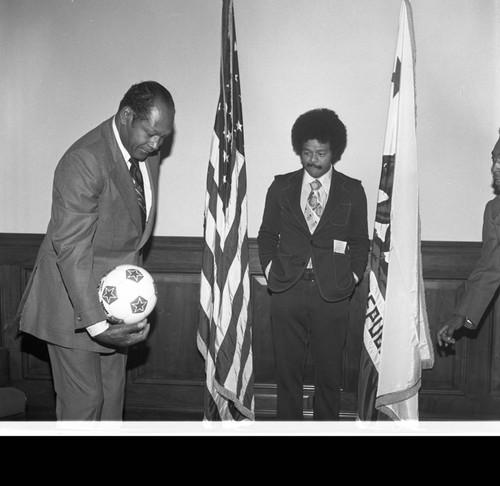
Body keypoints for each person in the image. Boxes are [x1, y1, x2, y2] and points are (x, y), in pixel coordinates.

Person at [16, 81, 176, 420]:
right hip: (71, 305)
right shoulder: (85, 159)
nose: (157, 143)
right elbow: (71, 247)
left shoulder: (147, 153)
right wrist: (98, 325)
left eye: (163, 136)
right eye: (150, 133)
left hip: (115, 303)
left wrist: (131, 307)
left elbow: (128, 235)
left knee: (111, 405)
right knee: (84, 407)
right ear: (126, 116)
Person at [257, 108, 369, 420]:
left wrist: (354, 277)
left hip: (332, 293)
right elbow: (266, 235)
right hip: (286, 290)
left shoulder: (353, 190)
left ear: (335, 151)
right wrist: (269, 271)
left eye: (321, 153)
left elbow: (361, 241)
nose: (313, 160)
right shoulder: (281, 187)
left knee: (330, 376)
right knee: (287, 373)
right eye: (307, 152)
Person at [438, 130, 500, 348]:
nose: (494, 168)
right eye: (494, 160)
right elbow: (490, 268)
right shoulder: (494, 210)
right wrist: (460, 315)